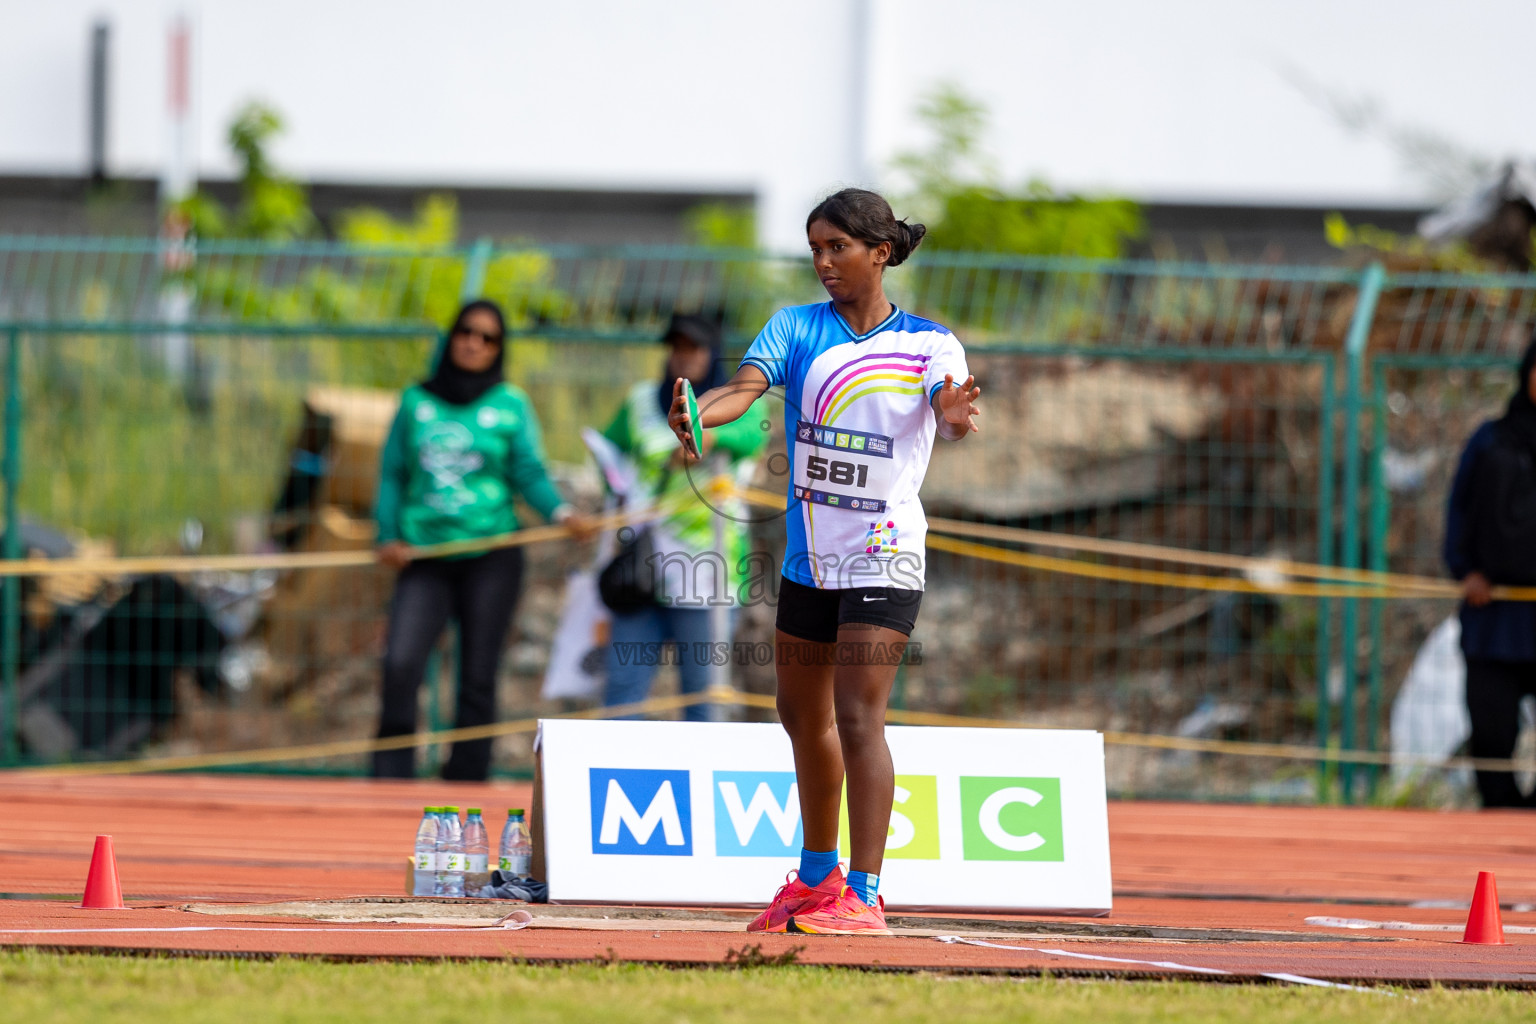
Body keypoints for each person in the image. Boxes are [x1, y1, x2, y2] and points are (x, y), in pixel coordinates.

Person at [667, 188, 980, 933]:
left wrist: (955, 413)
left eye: (837, 247)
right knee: (798, 713)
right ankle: (816, 878)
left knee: (857, 715)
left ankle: (865, 895)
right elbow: (744, 389)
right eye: (814, 248)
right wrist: (697, 413)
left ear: (881, 252)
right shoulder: (795, 327)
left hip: (887, 557)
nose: (823, 262)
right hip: (811, 561)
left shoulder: (930, 345)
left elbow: (949, 404)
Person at [372, 299, 591, 781]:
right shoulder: (415, 401)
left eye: (488, 337)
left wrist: (561, 510)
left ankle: (466, 778)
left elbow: (527, 470)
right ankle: (388, 780)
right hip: (425, 556)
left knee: (476, 675)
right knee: (401, 663)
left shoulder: (510, 403)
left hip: (492, 555)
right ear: (451, 337)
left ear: (499, 348)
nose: (474, 343)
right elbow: (392, 473)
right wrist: (386, 535)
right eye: (466, 332)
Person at [599, 314, 769, 720]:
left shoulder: (733, 402)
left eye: (695, 347)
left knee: (704, 698)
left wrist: (709, 433)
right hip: (643, 568)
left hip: (707, 573)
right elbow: (609, 454)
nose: (684, 356)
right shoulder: (640, 401)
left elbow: (752, 434)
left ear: (711, 353)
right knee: (623, 691)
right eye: (677, 347)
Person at [1444, 332, 1536, 808]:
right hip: (1494, 613)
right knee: (1492, 731)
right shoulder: (1491, 439)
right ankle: (1498, 823)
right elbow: (1459, 511)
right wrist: (1466, 572)